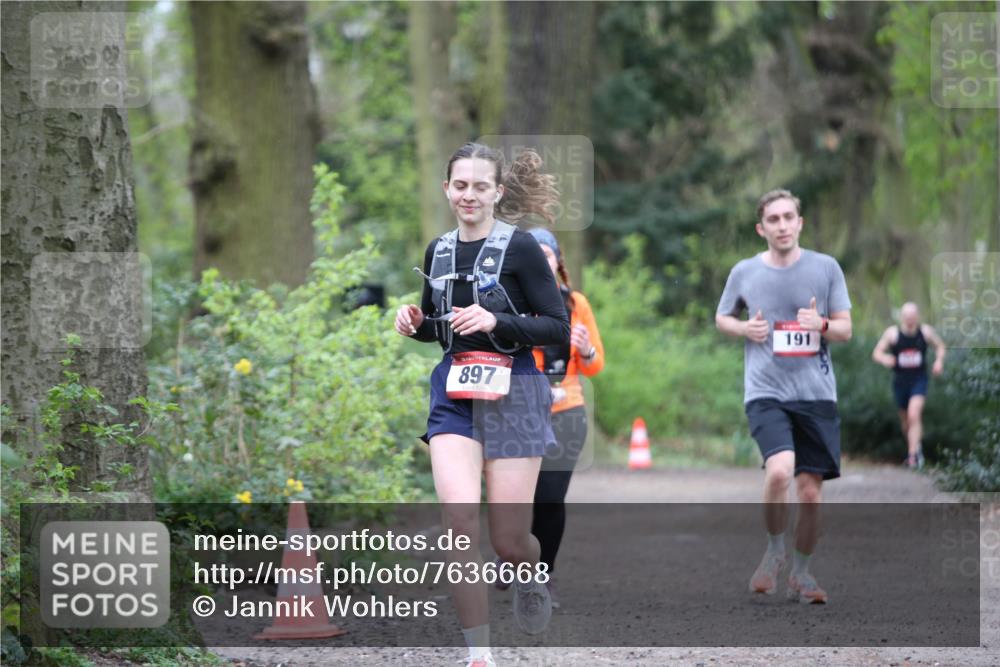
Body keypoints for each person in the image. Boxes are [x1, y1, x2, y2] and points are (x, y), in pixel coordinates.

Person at [394, 143, 569, 667]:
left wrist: (498, 322)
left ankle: (530, 573)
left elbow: (557, 329)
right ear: (447, 189)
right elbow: (437, 326)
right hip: (454, 392)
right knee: (458, 518)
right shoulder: (437, 251)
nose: (469, 195)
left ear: (498, 192)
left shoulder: (520, 251)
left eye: (479, 186)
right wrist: (415, 323)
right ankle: (479, 653)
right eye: (460, 185)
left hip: (514, 388)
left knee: (511, 542)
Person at [715, 189, 852, 605]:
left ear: (800, 222)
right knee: (779, 472)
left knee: (810, 491)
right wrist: (744, 330)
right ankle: (774, 551)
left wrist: (822, 323)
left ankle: (803, 572)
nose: (782, 225)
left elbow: (846, 330)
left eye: (788, 217)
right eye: (773, 219)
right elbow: (723, 318)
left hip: (816, 395)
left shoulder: (826, 268)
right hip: (766, 391)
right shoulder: (744, 272)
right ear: (762, 229)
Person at [494, 228, 604, 609]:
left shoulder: (575, 304)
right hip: (517, 411)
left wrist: (587, 350)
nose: (541, 262)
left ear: (558, 262)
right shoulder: (506, 302)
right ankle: (511, 554)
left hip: (564, 410)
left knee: (550, 498)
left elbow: (594, 366)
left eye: (548, 255)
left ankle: (542, 575)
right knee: (514, 497)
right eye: (534, 256)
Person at [871, 302, 946, 469]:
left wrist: (939, 361)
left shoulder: (925, 332)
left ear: (917, 316)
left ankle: (912, 456)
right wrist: (885, 359)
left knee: (914, 414)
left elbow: (940, 346)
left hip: (919, 380)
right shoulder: (892, 334)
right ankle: (916, 448)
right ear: (902, 317)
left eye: (912, 317)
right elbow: (876, 353)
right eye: (907, 317)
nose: (910, 320)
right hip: (900, 382)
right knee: (906, 421)